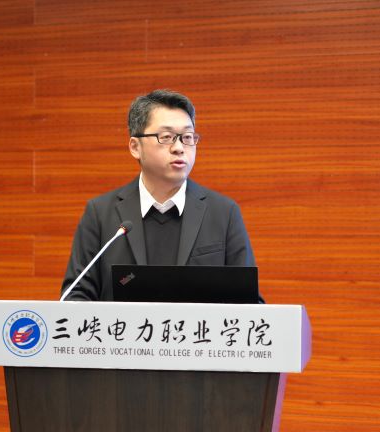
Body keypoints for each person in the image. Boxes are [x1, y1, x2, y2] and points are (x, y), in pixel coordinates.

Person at [61, 89, 258, 301]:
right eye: (166, 137)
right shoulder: (100, 214)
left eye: (187, 137)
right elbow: (76, 298)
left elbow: (249, 302)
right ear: (135, 147)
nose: (179, 148)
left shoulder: (223, 213)